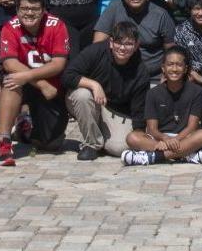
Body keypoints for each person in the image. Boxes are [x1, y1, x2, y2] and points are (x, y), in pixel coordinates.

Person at [0, 0, 72, 164]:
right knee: (11, 81)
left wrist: (29, 77)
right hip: (30, 84)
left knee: (51, 144)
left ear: (44, 10)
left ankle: (24, 124)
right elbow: (9, 63)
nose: (29, 13)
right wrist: (40, 83)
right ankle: (4, 141)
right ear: (17, 10)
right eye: (24, 8)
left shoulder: (57, 25)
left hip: (51, 87)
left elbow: (59, 64)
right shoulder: (10, 27)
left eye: (35, 9)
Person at [63, 21, 152, 160]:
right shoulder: (95, 51)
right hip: (90, 100)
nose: (122, 48)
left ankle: (101, 133)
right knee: (82, 95)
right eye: (118, 42)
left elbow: (139, 109)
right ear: (111, 42)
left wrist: (138, 135)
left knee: (120, 148)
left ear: (136, 46)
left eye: (129, 44)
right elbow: (67, 76)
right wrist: (94, 85)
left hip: (115, 110)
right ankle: (91, 144)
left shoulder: (141, 72)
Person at [121, 44, 202, 166]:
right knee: (132, 138)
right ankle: (185, 155)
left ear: (185, 69)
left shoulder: (196, 91)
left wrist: (176, 140)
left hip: (184, 137)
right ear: (163, 68)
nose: (174, 69)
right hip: (160, 139)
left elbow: (192, 126)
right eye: (170, 64)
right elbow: (152, 129)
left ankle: (153, 157)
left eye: (179, 65)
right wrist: (166, 139)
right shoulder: (153, 93)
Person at [92, 0, 175, 70]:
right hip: (118, 71)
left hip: (153, 76)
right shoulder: (114, 7)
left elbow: (171, 51)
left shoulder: (161, 14)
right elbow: (97, 44)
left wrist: (166, 75)